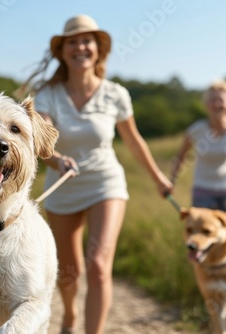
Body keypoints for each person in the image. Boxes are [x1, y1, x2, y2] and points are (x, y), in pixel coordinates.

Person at [21, 15, 173, 334]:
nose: (81, 47)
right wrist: (59, 160)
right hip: (63, 186)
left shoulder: (115, 94)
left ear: (98, 49)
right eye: (73, 41)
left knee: (99, 267)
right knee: (69, 272)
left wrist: (158, 177)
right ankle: (70, 314)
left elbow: (134, 140)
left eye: (87, 41)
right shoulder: (47, 94)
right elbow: (40, 142)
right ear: (62, 51)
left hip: (107, 183)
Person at [170, 80, 226, 220]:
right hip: (203, 192)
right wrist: (171, 181)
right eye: (213, 100)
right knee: (203, 235)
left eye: (221, 100)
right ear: (206, 104)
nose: (217, 104)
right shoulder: (196, 130)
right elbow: (180, 157)